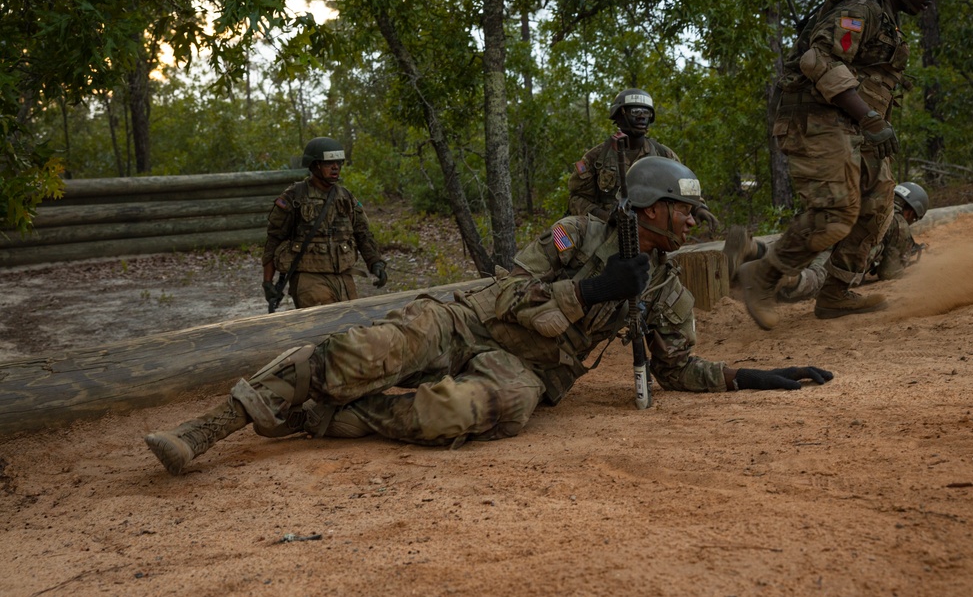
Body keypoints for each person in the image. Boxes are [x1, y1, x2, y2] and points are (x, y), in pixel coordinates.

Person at [145, 157, 834, 476]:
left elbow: (677, 371)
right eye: (683, 208)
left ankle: (331, 419)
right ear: (649, 208)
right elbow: (508, 296)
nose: (691, 219)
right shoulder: (577, 236)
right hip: (467, 322)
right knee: (358, 354)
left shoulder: (665, 289)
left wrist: (753, 377)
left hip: (528, 369)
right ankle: (209, 428)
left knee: (487, 411)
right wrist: (591, 293)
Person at [740, 0, 946, 329]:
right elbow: (818, 58)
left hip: (851, 124)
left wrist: (869, 121)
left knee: (879, 203)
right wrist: (869, 117)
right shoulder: (861, 8)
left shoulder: (887, 17)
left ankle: (836, 293)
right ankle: (761, 276)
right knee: (836, 211)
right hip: (815, 117)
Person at [726, 181, 930, 302]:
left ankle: (751, 247)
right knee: (817, 279)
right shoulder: (897, 220)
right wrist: (907, 263)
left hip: (815, 224)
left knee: (787, 252)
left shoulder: (869, 196)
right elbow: (889, 272)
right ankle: (782, 278)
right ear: (911, 211)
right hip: (837, 246)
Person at [261, 137, 388, 309]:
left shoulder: (346, 197)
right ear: (314, 166)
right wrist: (268, 283)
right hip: (309, 278)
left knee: (353, 327)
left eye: (338, 163)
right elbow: (274, 238)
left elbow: (363, 234)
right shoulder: (295, 196)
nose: (335, 167)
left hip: (344, 277)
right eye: (329, 163)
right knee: (325, 327)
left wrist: (375, 263)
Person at [566, 88, 718, 230]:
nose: (641, 117)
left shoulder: (663, 155)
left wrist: (699, 208)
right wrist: (605, 217)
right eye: (635, 111)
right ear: (619, 115)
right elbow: (576, 198)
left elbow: (684, 188)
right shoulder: (597, 157)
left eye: (646, 113)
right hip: (606, 231)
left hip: (653, 232)